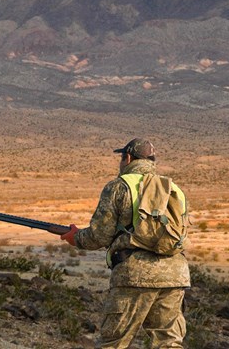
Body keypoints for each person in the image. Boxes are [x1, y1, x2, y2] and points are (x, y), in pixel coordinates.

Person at [60, 138, 190, 348]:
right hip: (175, 275)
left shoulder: (119, 186)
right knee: (169, 343)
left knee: (113, 343)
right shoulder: (173, 189)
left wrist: (76, 237)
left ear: (127, 158)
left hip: (134, 275)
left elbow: (99, 235)